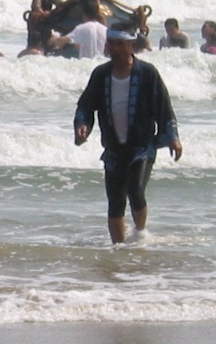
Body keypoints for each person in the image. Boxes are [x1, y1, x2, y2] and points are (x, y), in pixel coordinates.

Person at [74, 23, 182, 244]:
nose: (115, 49)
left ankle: (140, 232)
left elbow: (164, 107)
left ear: (131, 45)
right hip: (113, 149)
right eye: (112, 44)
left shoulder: (147, 73)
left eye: (121, 44)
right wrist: (82, 125)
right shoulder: (101, 74)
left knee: (135, 191)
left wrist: (173, 137)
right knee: (115, 202)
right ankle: (118, 249)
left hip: (142, 146)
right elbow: (85, 106)